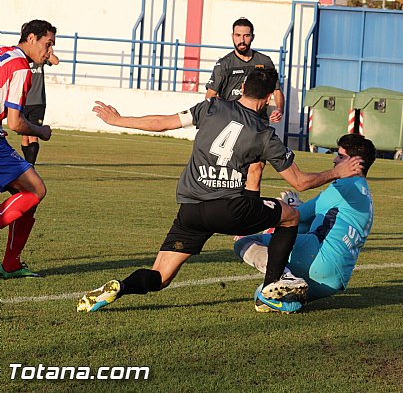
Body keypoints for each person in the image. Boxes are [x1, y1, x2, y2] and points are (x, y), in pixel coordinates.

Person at [77, 69, 363, 313]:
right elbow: (300, 182)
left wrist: (119, 120)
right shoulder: (264, 135)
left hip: (190, 210)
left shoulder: (210, 107)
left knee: (160, 276)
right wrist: (336, 172)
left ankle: (120, 287)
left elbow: (162, 123)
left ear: (241, 89)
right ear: (266, 99)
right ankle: (273, 283)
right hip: (230, 209)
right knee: (288, 216)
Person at [234, 134, 376, 313]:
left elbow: (298, 215)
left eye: (340, 156)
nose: (334, 160)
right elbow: (317, 218)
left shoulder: (346, 184)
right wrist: (295, 206)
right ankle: (291, 301)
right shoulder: (364, 193)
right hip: (334, 280)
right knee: (262, 296)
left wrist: (264, 218)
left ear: (355, 163)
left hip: (319, 259)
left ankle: (285, 277)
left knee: (244, 242)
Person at [0, 19, 56, 279]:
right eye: (48, 44)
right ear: (31, 38)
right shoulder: (22, 68)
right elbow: (16, 123)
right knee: (36, 189)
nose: (50, 52)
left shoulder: (4, 53)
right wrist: (41, 131)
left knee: (26, 199)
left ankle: (11, 263)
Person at [205, 17, 285, 197]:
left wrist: (278, 109)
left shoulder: (264, 62)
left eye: (246, 35)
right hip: (233, 127)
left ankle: (250, 212)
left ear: (252, 37)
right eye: (238, 35)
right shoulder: (224, 64)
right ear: (232, 36)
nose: (242, 40)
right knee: (231, 175)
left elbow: (277, 91)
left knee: (256, 170)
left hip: (258, 126)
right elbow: (210, 97)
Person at [21, 51, 59, 165]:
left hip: (38, 102)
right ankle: (27, 165)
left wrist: (48, 51)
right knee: (24, 137)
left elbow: (55, 61)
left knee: (33, 135)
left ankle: (30, 166)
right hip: (23, 101)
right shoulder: (21, 57)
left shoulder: (40, 55)